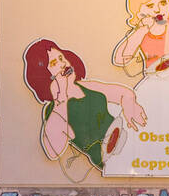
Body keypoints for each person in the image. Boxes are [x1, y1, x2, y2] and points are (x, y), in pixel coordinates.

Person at [22, 39, 146, 173]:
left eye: (61, 58)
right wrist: (61, 97)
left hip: (128, 141)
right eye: (54, 63)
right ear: (45, 75)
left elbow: (124, 93)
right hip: (112, 162)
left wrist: (130, 105)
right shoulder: (53, 110)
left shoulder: (84, 86)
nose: (63, 64)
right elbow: (53, 151)